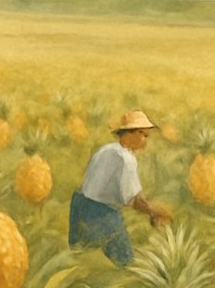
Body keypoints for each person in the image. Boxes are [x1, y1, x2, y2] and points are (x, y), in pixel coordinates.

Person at [68, 109, 173, 265]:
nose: (145, 140)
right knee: (124, 262)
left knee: (83, 260)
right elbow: (134, 201)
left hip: (80, 205)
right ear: (131, 134)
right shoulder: (126, 159)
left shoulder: (106, 150)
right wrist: (157, 211)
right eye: (143, 135)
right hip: (101, 214)